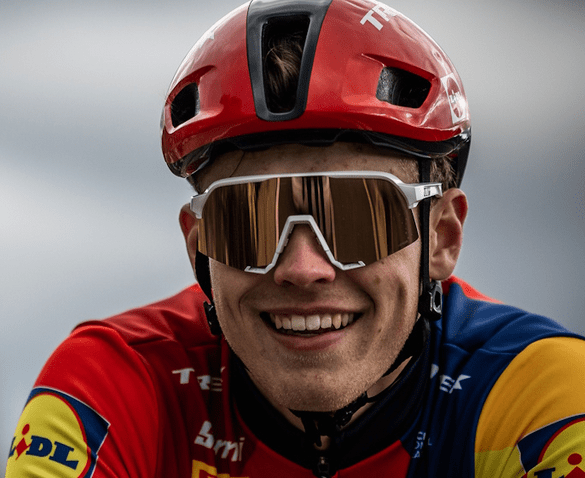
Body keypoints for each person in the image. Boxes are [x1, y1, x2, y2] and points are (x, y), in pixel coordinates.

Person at [6, 0, 585, 477]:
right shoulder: (113, 384)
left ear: (441, 238)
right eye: (249, 221)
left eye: (358, 217)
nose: (303, 268)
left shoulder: (542, 395)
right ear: (199, 248)